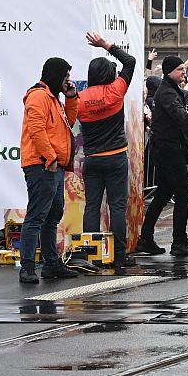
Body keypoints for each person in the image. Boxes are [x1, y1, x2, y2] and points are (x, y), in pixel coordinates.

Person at [78, 32, 138, 269]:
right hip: (115, 157)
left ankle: (90, 256)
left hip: (91, 159)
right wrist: (106, 45)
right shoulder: (116, 91)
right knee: (117, 207)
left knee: (91, 206)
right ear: (109, 75)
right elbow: (130, 62)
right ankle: (119, 256)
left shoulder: (80, 99)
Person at [136, 55, 188, 257]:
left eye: (184, 69)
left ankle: (146, 238)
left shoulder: (171, 89)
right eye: (180, 69)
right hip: (168, 150)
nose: (184, 72)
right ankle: (179, 242)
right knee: (183, 195)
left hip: (170, 149)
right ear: (168, 72)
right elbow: (178, 114)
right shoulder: (166, 92)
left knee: (163, 195)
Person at [18, 56, 77, 284]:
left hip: (53, 165)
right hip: (42, 165)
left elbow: (68, 123)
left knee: (52, 216)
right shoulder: (39, 96)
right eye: (66, 76)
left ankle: (51, 264)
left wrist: (71, 98)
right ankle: (28, 267)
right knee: (37, 216)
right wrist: (50, 156)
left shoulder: (53, 98)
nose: (67, 81)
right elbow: (36, 129)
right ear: (55, 75)